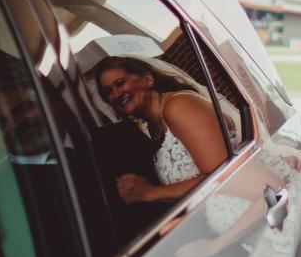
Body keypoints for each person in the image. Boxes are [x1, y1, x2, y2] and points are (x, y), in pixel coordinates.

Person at [93, 56, 228, 202]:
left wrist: (150, 193)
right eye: (108, 92)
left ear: (148, 80)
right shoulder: (152, 128)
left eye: (120, 83)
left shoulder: (178, 106)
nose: (116, 94)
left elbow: (223, 174)